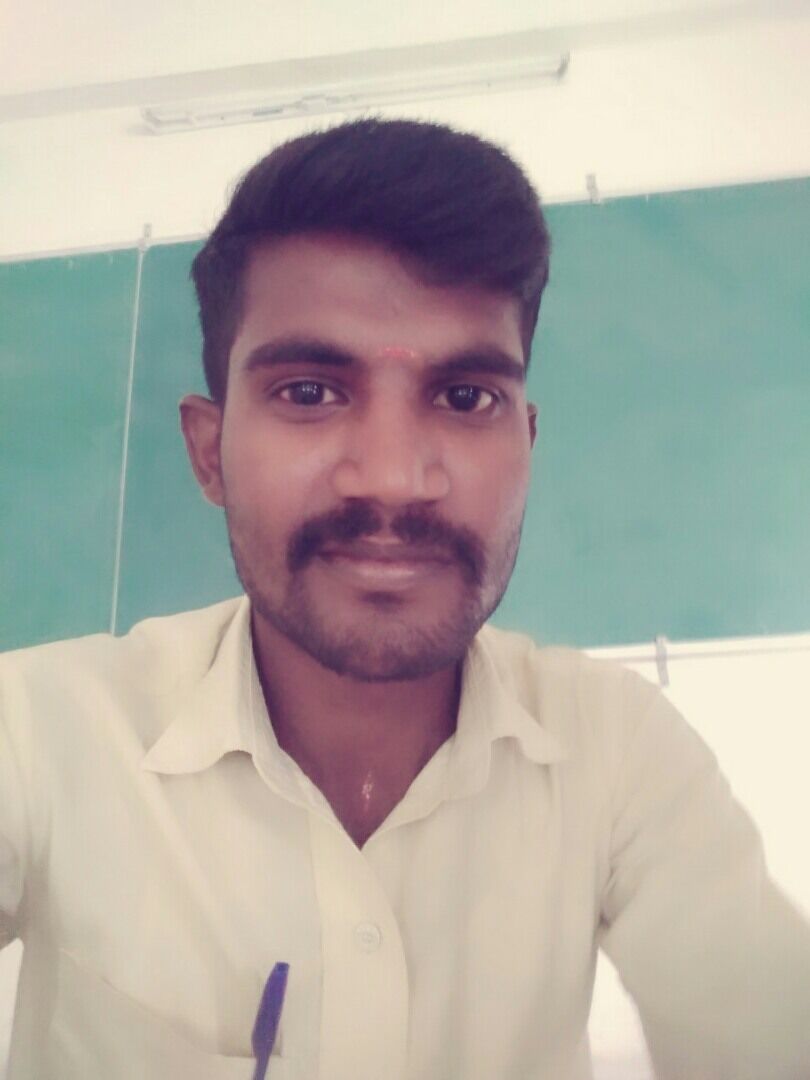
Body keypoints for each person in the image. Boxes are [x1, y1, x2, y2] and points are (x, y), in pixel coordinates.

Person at [1, 118, 808, 1080]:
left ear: (526, 444)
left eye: (465, 398)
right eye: (310, 391)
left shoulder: (620, 752)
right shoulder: (39, 732)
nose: (391, 478)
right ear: (209, 453)